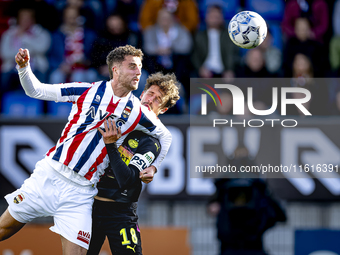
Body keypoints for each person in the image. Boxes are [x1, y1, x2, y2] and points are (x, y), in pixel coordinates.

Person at [0, 45, 172, 255]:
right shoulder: (87, 90)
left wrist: (154, 166)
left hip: (81, 192)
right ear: (116, 70)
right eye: (132, 67)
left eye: (140, 67)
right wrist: (24, 68)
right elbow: (36, 90)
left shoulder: (138, 111)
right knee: (4, 228)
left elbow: (166, 136)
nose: (139, 72)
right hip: (50, 175)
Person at [87, 72, 180, 255]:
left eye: (158, 99)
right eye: (150, 93)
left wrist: (111, 146)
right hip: (88, 207)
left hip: (120, 212)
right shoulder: (118, 118)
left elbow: (127, 180)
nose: (150, 99)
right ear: (141, 94)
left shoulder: (152, 142)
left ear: (163, 109)